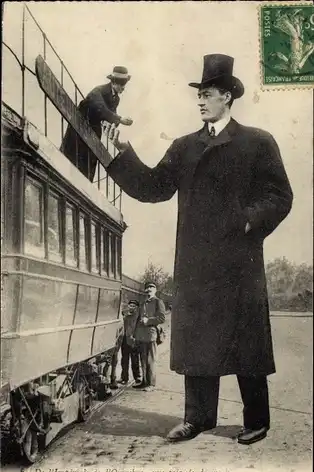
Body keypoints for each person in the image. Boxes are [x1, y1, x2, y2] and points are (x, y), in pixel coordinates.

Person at [103, 54, 293, 444]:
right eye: (199, 96)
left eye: (207, 94)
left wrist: (247, 220)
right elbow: (153, 187)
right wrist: (122, 152)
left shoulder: (258, 142)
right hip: (196, 263)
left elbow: (280, 196)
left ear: (227, 96)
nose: (201, 101)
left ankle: (257, 419)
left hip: (240, 260)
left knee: (247, 345)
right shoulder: (185, 146)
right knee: (199, 343)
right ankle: (198, 418)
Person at [60, 65, 133, 181]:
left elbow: (110, 116)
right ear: (115, 82)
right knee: (71, 159)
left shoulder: (116, 99)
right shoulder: (98, 91)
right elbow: (101, 109)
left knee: (88, 165)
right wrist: (120, 119)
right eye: (122, 84)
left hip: (93, 132)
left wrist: (113, 126)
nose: (124, 88)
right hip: (79, 128)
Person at [133, 282, 166, 392]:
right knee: (142, 359)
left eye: (152, 287)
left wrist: (149, 321)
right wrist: (134, 334)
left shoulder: (158, 302)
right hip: (141, 335)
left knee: (150, 360)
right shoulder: (142, 302)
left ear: (155, 290)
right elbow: (138, 319)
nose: (149, 289)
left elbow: (161, 318)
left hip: (151, 334)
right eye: (147, 287)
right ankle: (144, 381)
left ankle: (151, 383)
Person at [119, 300, 142, 385]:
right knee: (124, 359)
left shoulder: (138, 316)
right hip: (125, 339)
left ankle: (137, 377)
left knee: (135, 359)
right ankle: (124, 378)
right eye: (130, 305)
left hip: (133, 339)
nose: (131, 307)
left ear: (137, 307)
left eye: (133, 306)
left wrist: (136, 337)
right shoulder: (125, 314)